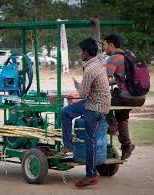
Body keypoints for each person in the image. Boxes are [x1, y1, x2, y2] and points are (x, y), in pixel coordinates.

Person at [60, 37, 111, 187]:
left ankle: (91, 175)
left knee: (91, 141)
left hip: (96, 107)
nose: (80, 54)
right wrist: (96, 26)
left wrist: (77, 85)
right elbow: (100, 47)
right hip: (93, 101)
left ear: (87, 53)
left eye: (82, 51)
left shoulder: (90, 70)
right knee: (66, 112)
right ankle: (68, 145)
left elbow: (83, 93)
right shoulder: (99, 59)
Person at [103, 34, 145, 160]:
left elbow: (104, 81)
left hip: (126, 96)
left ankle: (111, 127)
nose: (104, 48)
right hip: (140, 96)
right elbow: (122, 79)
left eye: (104, 44)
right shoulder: (130, 55)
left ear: (111, 45)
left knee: (102, 100)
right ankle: (127, 145)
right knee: (122, 115)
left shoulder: (112, 59)